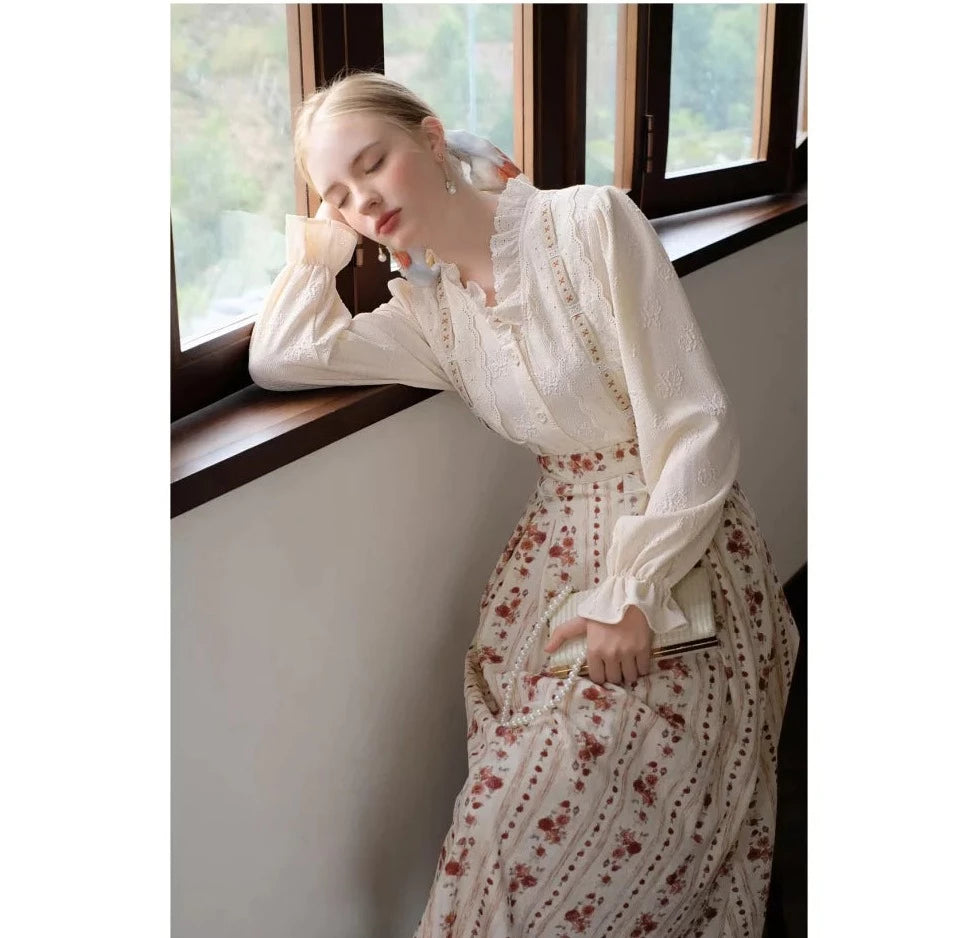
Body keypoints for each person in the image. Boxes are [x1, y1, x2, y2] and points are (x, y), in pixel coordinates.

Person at [249, 71, 799, 937]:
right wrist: (321, 243)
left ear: (433, 139)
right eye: (339, 194)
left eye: (374, 163)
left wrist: (632, 590)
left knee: (588, 832)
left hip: (672, 550)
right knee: (499, 830)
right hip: (548, 572)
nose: (364, 202)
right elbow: (281, 355)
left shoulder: (588, 224)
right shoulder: (430, 313)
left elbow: (695, 425)